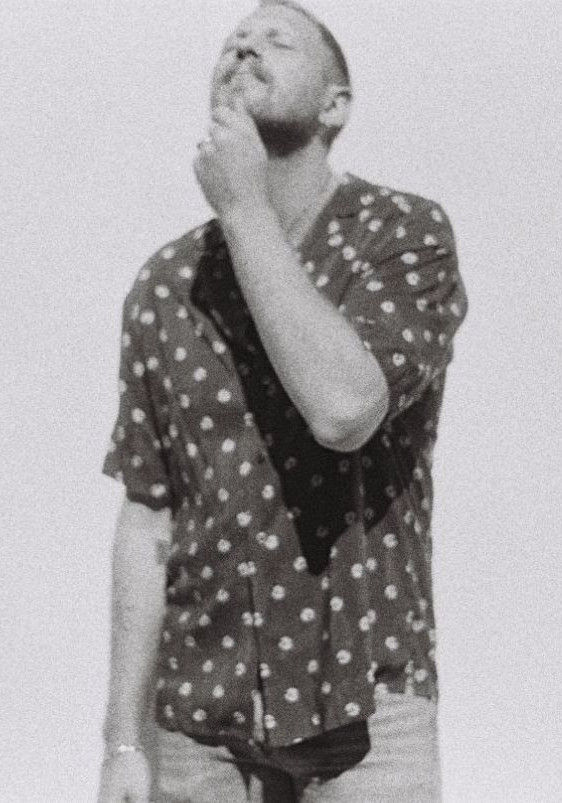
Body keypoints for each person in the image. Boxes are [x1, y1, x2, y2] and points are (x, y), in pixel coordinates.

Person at [97, 1, 468, 800]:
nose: (244, 48)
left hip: (369, 706)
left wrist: (243, 208)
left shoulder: (400, 234)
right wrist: (122, 738)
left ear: (336, 105)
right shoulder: (167, 285)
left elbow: (344, 409)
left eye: (277, 41)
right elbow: (149, 516)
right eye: (233, 43)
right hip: (199, 720)